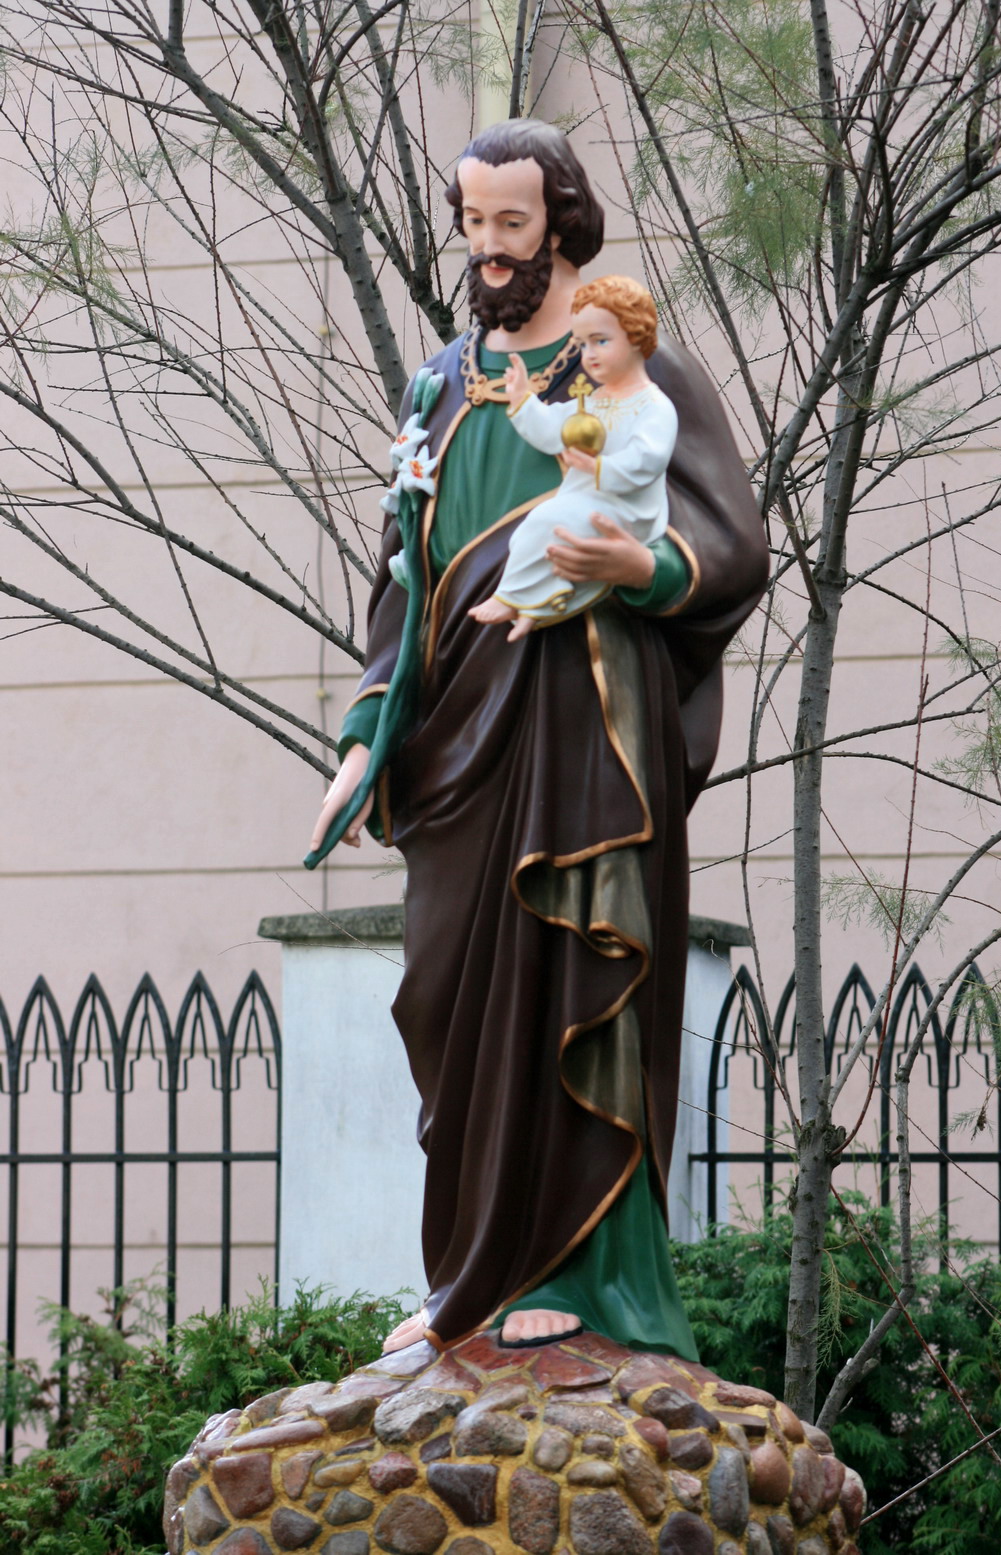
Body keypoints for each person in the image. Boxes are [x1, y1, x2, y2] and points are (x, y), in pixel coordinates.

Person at [309, 118, 769, 1357]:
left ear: (560, 221)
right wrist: (364, 736)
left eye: (511, 222)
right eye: (473, 223)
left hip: (583, 731)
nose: (489, 247)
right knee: (448, 1001)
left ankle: (581, 1273)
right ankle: (468, 1276)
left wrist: (639, 566)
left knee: (574, 981)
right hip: (456, 740)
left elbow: (731, 547)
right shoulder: (438, 386)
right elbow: (402, 581)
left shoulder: (632, 368)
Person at [469, 276, 677, 640]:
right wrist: (522, 401)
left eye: (600, 341)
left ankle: (515, 599)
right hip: (586, 500)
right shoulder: (594, 400)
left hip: (627, 510)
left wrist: (600, 469)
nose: (589, 354)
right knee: (535, 528)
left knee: (551, 521)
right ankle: (533, 607)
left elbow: (648, 459)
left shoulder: (653, 405)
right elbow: (554, 428)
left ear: (635, 335)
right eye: (582, 344)